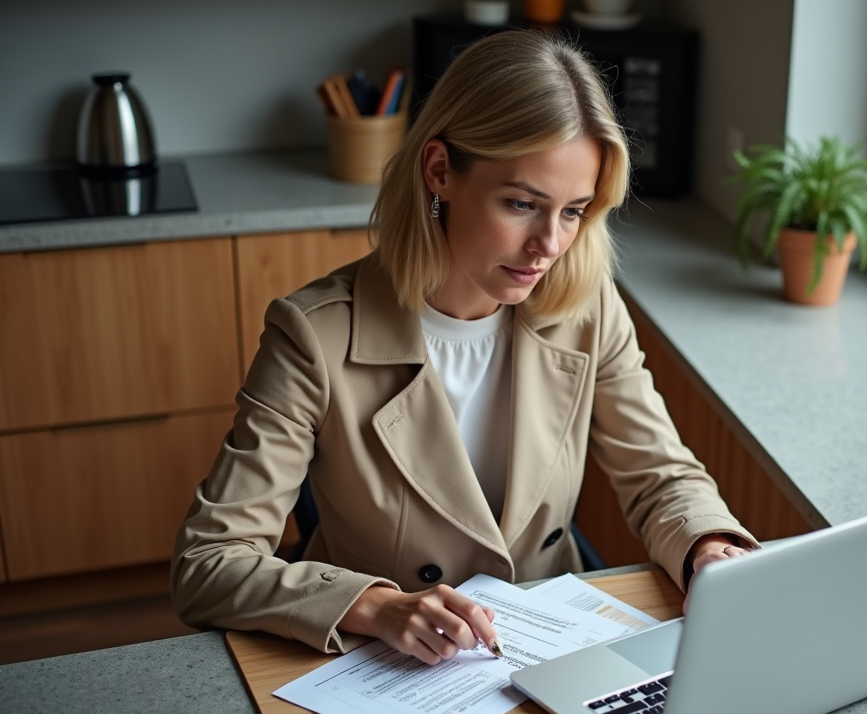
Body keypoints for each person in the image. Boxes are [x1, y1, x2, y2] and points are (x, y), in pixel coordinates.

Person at [171, 30, 757, 667]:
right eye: (521, 204)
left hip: (547, 651)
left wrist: (708, 545)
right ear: (440, 171)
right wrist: (375, 605)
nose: (550, 245)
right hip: (388, 670)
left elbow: (659, 475)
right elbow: (209, 563)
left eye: (573, 212)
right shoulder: (313, 334)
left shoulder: (588, 310)